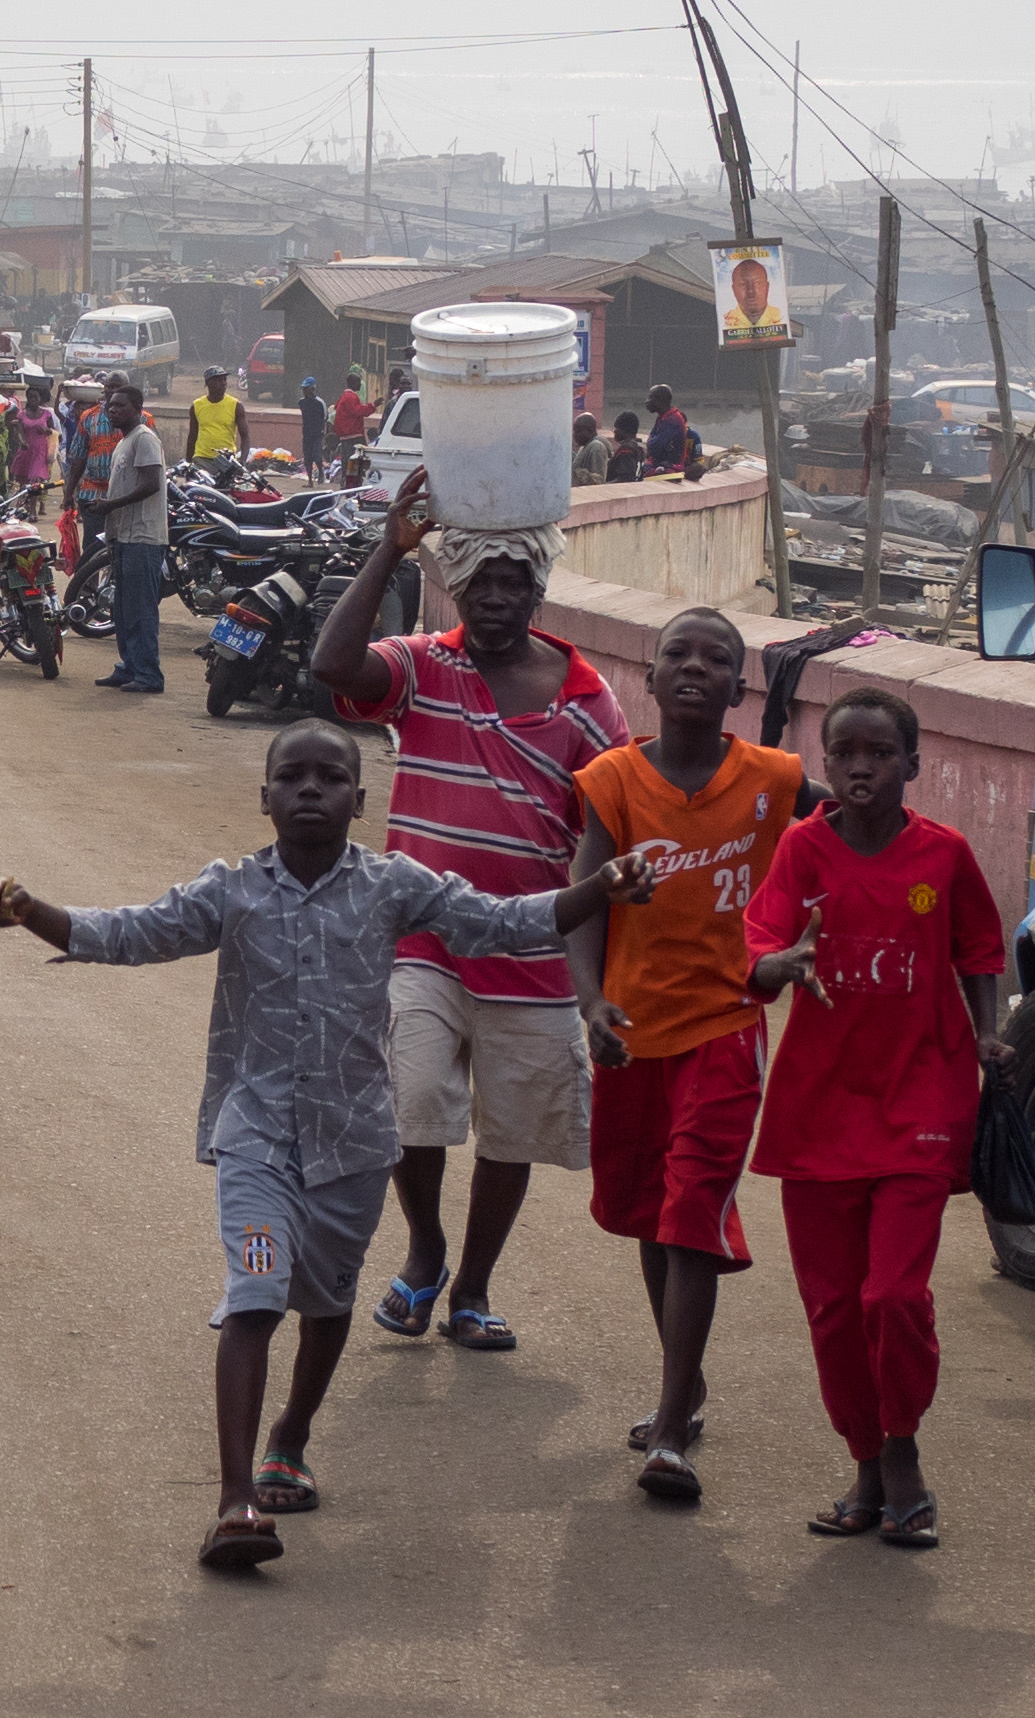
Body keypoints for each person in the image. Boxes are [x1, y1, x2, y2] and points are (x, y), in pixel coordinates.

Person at [0, 718, 653, 1568]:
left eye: (329, 778)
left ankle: (291, 1434)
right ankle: (235, 1502)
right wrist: (31, 911)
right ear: (263, 798)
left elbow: (500, 922)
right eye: (290, 777)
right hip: (256, 1138)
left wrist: (600, 888)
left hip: (356, 1146)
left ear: (359, 800)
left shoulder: (393, 886)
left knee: (327, 1304)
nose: (309, 790)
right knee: (257, 1291)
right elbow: (131, 933)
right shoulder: (232, 891)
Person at [312, 467, 631, 1352]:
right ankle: (424, 1252)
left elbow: (616, 819)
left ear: (538, 588)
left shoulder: (585, 698)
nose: (494, 599)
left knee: (514, 1129)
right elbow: (333, 666)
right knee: (410, 1101)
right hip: (421, 941)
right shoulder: (420, 665)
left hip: (533, 952)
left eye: (512, 582)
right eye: (478, 580)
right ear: (454, 583)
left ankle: (473, 1290)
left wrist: (599, 971)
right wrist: (391, 545)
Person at [567, 606, 828, 1501]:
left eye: (716, 658)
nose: (693, 667)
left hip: (727, 1025)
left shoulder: (776, 779)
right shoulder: (612, 779)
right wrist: (591, 1000)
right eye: (676, 652)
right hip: (635, 1032)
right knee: (648, 1211)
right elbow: (586, 897)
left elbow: (849, 835)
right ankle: (687, 1380)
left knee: (690, 1214)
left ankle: (672, 1427)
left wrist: (805, 943)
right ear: (649, 674)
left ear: (738, 686)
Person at [745, 688, 1011, 1549]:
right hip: (818, 1110)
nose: (861, 767)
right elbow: (757, 946)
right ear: (826, 763)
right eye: (846, 752)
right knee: (831, 1307)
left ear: (912, 766)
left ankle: (903, 1449)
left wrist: (988, 1034)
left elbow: (979, 948)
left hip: (921, 1102)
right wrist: (780, 964)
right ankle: (863, 1462)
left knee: (892, 1296)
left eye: (880, 753)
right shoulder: (801, 849)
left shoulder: (946, 855)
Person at [89, 385, 165, 695]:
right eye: (110, 405)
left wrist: (110, 505)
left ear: (137, 408)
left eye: (120, 405)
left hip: (143, 537)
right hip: (123, 536)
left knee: (140, 609)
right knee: (122, 609)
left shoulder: (145, 439)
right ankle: (130, 667)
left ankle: (148, 674)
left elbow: (151, 485)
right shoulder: (124, 443)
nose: (112, 410)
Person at [63, 371, 152, 559]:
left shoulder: (144, 420)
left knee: (123, 549)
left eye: (117, 387)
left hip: (127, 496)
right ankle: (89, 587)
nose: (112, 391)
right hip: (93, 493)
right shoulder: (89, 417)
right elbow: (78, 457)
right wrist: (69, 491)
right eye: (109, 387)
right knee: (93, 550)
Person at [186, 365, 250, 472]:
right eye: (218, 380)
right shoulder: (197, 406)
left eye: (224, 380)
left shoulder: (235, 405)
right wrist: (188, 463)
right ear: (208, 383)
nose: (223, 383)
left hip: (226, 460)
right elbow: (192, 437)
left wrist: (242, 462)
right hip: (202, 458)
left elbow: (245, 436)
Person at [9, 382, 57, 511]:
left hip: (40, 451)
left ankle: (33, 511)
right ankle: (24, 507)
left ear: (40, 398)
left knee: (35, 481)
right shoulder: (22, 415)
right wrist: (22, 441)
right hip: (26, 451)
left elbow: (53, 431)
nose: (33, 400)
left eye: (36, 397)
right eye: (31, 397)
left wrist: (46, 430)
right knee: (24, 482)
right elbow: (19, 432)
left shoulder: (47, 414)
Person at [332, 370, 378, 476]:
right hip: (353, 434)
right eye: (358, 382)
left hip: (347, 434)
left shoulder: (345, 396)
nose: (360, 385)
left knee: (348, 460)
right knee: (355, 460)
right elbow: (358, 410)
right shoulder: (350, 397)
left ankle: (346, 481)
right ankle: (351, 482)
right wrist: (373, 405)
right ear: (352, 383)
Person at [723, 259, 784, 335]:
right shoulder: (725, 321)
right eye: (743, 284)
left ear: (767, 287)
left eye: (757, 283)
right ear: (733, 289)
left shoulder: (781, 317)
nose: (751, 291)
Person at [642, 385, 688, 475]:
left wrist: (651, 444)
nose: (647, 402)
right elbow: (651, 443)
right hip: (659, 463)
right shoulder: (663, 417)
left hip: (670, 467)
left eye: (651, 398)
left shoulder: (673, 419)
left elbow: (654, 447)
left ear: (660, 400)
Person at [296, 377, 327, 484]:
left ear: (313, 389)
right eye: (303, 389)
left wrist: (323, 433)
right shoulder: (301, 402)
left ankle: (321, 473)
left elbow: (325, 418)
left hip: (318, 433)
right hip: (306, 433)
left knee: (317, 456)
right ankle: (310, 480)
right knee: (307, 457)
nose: (304, 391)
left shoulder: (320, 403)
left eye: (306, 388)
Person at [606, 412, 644, 484]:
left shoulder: (626, 450)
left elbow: (624, 479)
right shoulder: (638, 447)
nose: (614, 431)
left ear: (625, 430)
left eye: (616, 428)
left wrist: (602, 486)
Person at [572, 413, 608, 486]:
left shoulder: (596, 447)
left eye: (578, 431)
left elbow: (598, 480)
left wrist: (577, 473)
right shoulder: (583, 447)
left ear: (590, 431)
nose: (574, 434)